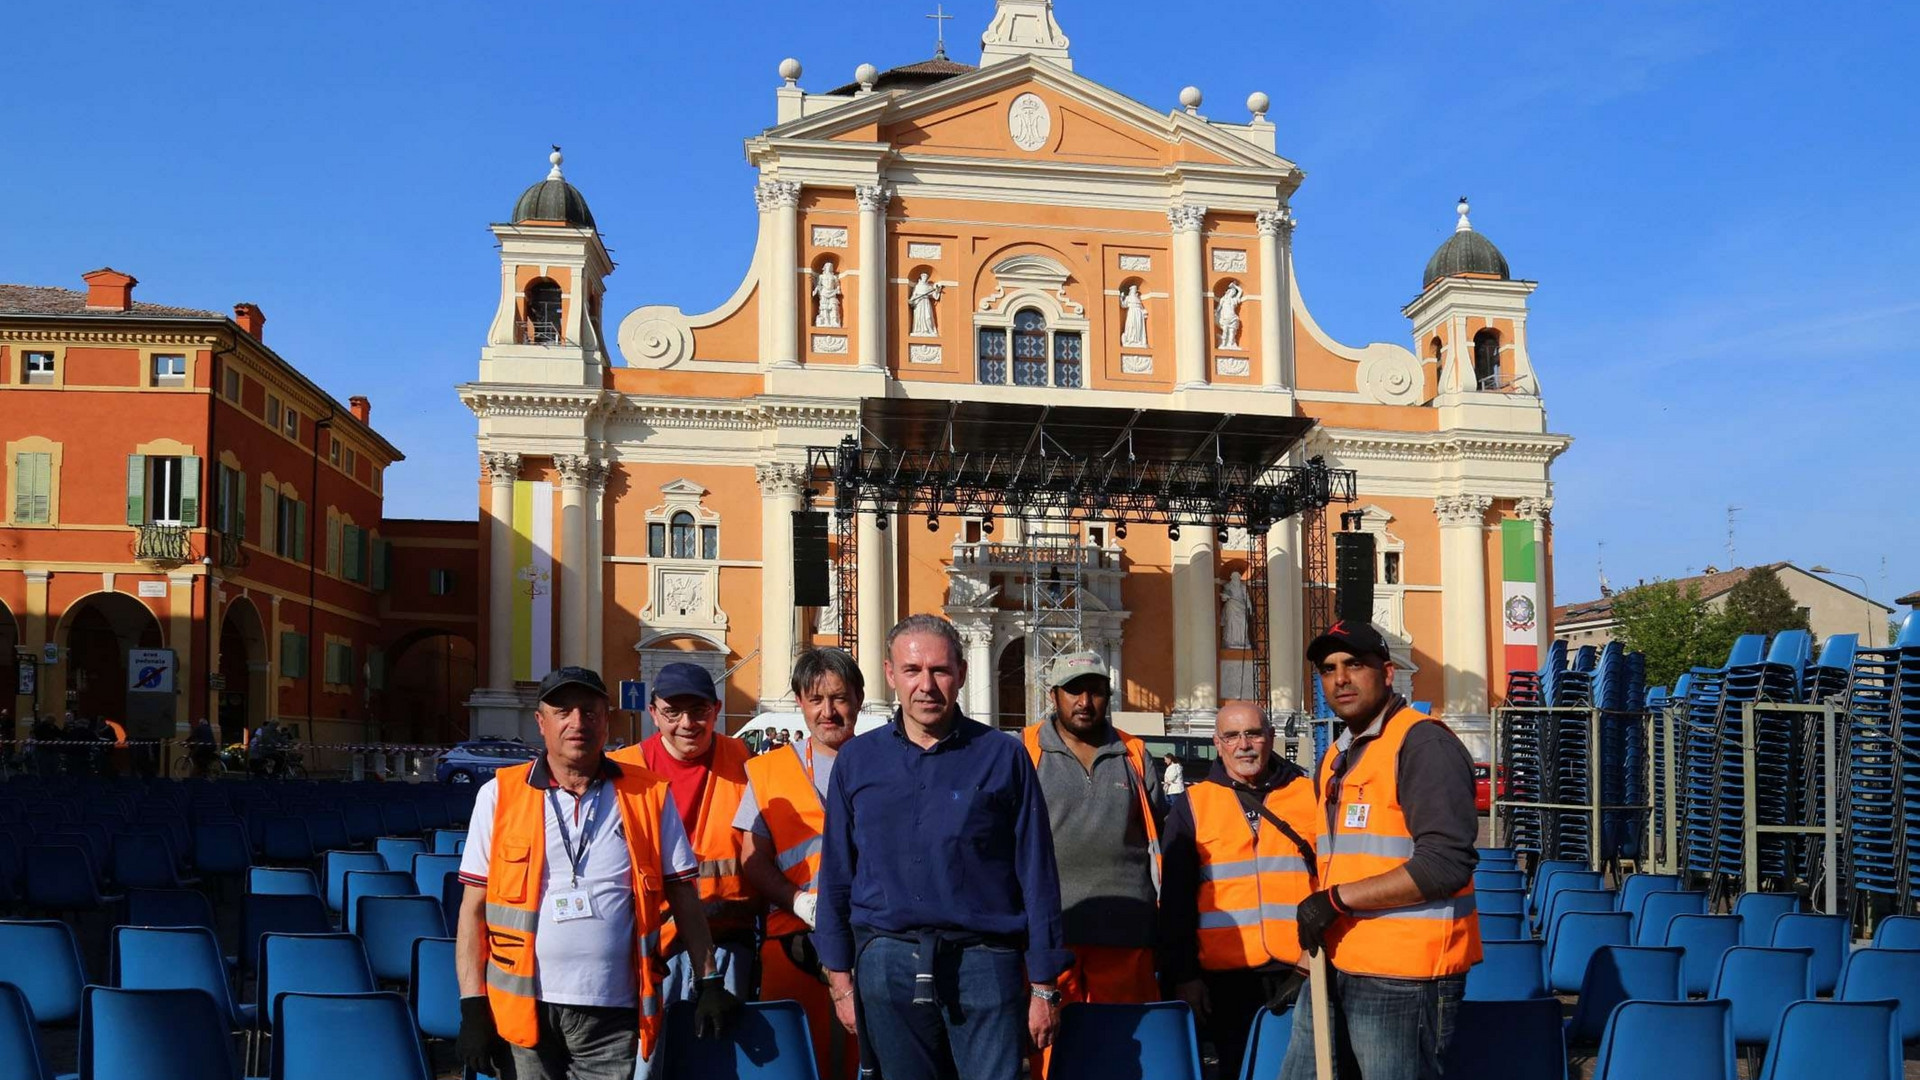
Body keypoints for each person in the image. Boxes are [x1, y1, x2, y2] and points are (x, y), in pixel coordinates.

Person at [815, 614, 1071, 1080]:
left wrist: (1044, 985)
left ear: (962, 674)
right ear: (891, 675)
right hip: (886, 964)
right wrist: (839, 981)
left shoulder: (1003, 756)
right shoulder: (858, 760)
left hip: (985, 965)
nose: (926, 685)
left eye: (939, 671)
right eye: (912, 671)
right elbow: (836, 873)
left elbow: (1037, 873)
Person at [454, 666, 738, 1080]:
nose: (577, 723)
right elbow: (472, 909)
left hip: (613, 1010)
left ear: (607, 719)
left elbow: (684, 898)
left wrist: (708, 979)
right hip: (521, 1008)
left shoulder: (649, 794)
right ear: (541, 721)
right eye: (563, 711)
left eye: (589, 712)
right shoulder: (498, 795)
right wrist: (472, 1005)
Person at [1279, 622, 1481, 1080]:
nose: (1341, 679)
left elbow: (1445, 864)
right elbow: (1340, 860)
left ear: (1387, 672)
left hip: (1405, 978)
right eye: (1328, 669)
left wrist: (1333, 902)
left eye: (1355, 665)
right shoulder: (1336, 755)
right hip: (1337, 961)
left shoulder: (1422, 743)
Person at [1020, 649, 1165, 1076]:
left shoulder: (1135, 754)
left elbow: (1154, 830)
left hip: (1126, 935)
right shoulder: (1025, 751)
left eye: (1095, 691)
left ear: (1108, 696)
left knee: (1122, 1054)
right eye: (1073, 691)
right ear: (1053, 696)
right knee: (1048, 1053)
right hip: (1049, 940)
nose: (1084, 701)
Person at [1160, 702, 1321, 1080]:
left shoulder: (1309, 795)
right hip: (1225, 979)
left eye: (1253, 733)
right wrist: (1185, 975)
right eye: (1232, 736)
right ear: (1218, 744)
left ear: (1270, 738)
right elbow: (1176, 902)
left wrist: (1315, 961)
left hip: (1301, 968)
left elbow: (1332, 882)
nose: (1244, 745)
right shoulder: (1194, 804)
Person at [734, 648, 864, 1079]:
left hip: (871, 943)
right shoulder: (766, 771)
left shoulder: (886, 764)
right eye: (816, 700)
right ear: (799, 702)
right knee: (793, 1063)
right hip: (792, 944)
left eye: (839, 698)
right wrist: (797, 901)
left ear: (860, 700)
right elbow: (752, 859)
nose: (828, 711)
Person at [609, 664, 760, 1011]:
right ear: (653, 713)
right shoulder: (622, 772)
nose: (687, 723)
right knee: (653, 1058)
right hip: (649, 950)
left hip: (727, 945)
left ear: (716, 710)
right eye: (673, 712)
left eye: (698, 711)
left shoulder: (747, 765)